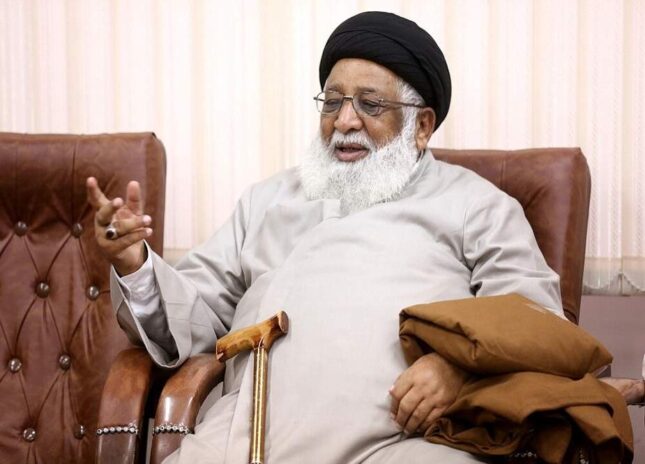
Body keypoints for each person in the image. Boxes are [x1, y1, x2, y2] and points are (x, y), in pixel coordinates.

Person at [88, 11, 566, 464]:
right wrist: (135, 264)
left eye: (370, 105)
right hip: (246, 439)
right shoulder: (268, 200)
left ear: (421, 126)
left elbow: (535, 318)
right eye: (333, 102)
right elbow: (194, 312)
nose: (344, 122)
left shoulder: (474, 204)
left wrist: (456, 369)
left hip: (401, 441)